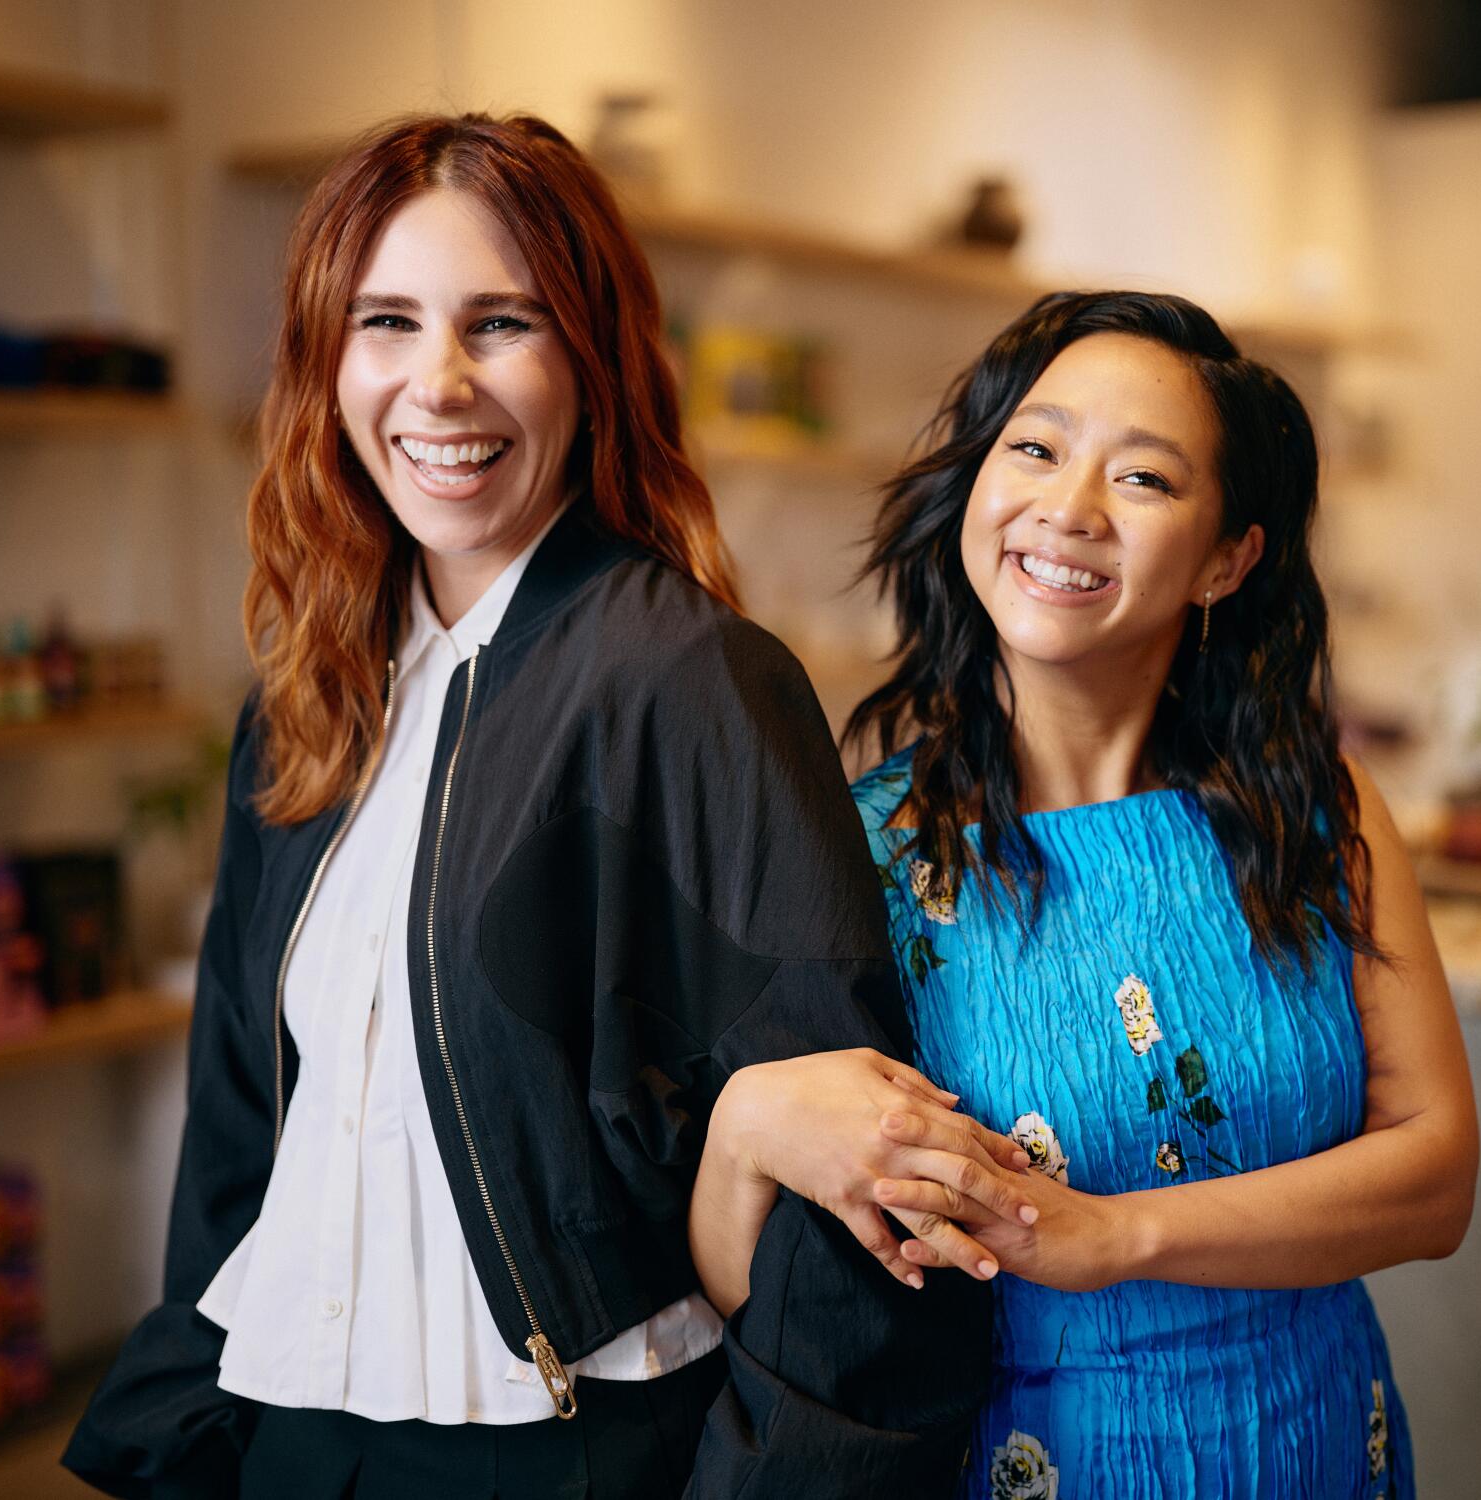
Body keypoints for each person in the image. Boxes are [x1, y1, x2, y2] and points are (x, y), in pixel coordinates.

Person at [60, 112, 1001, 1500]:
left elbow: (855, 1213)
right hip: (290, 1442)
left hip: (562, 1456)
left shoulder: (691, 687)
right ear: (327, 361)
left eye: (502, 322)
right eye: (386, 320)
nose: (437, 386)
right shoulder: (308, 694)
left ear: (593, 359)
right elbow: (244, 1138)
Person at [691, 291, 1479, 1498]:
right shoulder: (872, 854)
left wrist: (1119, 1236)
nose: (1067, 511)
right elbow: (774, 1294)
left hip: (1318, 1442)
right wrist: (745, 1126)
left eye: (1145, 480)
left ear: (1228, 559)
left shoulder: (1320, 815)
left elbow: (1434, 1179)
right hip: (1029, 1458)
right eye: (1036, 448)